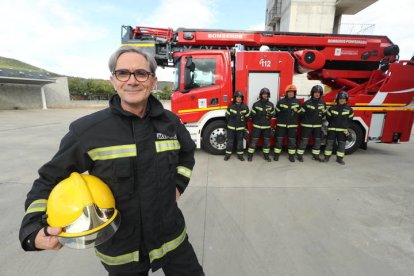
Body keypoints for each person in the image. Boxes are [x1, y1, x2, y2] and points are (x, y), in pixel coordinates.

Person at [19, 46, 204, 276]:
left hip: (173, 239)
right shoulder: (87, 131)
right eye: (123, 73)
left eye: (141, 73)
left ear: (154, 81)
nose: (132, 81)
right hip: (122, 251)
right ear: (113, 81)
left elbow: (187, 153)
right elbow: (49, 179)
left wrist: (177, 186)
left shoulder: (171, 123)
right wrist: (32, 228)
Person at [296, 85, 327, 162]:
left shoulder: (323, 103)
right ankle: (299, 155)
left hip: (317, 126)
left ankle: (316, 155)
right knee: (304, 140)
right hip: (307, 125)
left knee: (317, 141)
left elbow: (323, 114)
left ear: (321, 94)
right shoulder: (307, 103)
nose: (317, 94)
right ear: (312, 93)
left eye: (318, 93)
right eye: (315, 92)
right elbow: (301, 114)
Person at [323, 91, 354, 165]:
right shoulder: (331, 108)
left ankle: (339, 159)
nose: (341, 100)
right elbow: (328, 118)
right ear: (337, 99)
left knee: (341, 145)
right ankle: (327, 157)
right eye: (340, 98)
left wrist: (344, 126)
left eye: (343, 99)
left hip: (342, 131)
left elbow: (350, 120)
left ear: (346, 100)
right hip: (332, 130)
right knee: (329, 144)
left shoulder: (349, 110)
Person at [273, 84, 301, 162]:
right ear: (286, 93)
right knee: (279, 141)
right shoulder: (281, 102)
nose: (290, 93)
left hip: (292, 125)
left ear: (294, 93)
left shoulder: (297, 102)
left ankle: (291, 156)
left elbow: (300, 114)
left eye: (292, 92)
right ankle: (276, 155)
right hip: (281, 125)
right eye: (289, 92)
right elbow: (277, 113)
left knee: (292, 141)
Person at [247, 88, 275, 162]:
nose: (265, 95)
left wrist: (270, 115)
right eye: (263, 94)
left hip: (267, 127)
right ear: (261, 95)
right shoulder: (256, 104)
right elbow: (252, 115)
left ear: (268, 95)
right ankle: (250, 156)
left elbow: (273, 114)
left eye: (266, 94)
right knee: (253, 143)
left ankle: (266, 156)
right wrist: (257, 119)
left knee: (267, 143)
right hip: (257, 127)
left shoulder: (271, 104)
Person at [224, 91, 250, 161]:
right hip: (231, 128)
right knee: (230, 141)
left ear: (242, 98)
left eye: (240, 97)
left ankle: (240, 155)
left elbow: (247, 117)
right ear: (235, 98)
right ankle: (227, 155)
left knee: (240, 142)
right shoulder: (231, 106)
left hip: (240, 128)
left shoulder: (245, 107)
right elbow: (227, 116)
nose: (238, 98)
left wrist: (242, 123)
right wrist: (231, 123)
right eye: (237, 97)